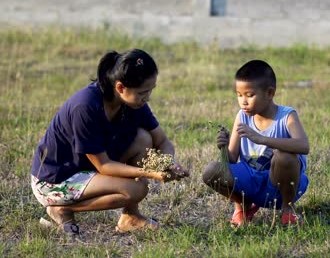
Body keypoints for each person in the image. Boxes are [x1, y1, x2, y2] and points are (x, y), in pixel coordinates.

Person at [30, 48, 189, 237]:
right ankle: (61, 208)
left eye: (150, 91)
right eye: (143, 92)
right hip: (55, 180)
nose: (147, 98)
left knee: (143, 138)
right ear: (120, 87)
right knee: (136, 189)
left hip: (88, 168)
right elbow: (104, 165)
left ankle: (130, 218)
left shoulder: (133, 103)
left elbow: (162, 140)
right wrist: (150, 173)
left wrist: (167, 163)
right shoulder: (86, 106)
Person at [202, 60, 309, 227]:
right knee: (211, 171)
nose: (243, 101)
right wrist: (223, 148)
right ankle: (242, 206)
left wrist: (261, 139)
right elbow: (231, 159)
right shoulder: (242, 116)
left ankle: (287, 210)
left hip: (281, 184)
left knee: (284, 157)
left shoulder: (287, 116)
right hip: (251, 180)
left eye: (249, 95)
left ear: (270, 93)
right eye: (239, 94)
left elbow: (303, 146)